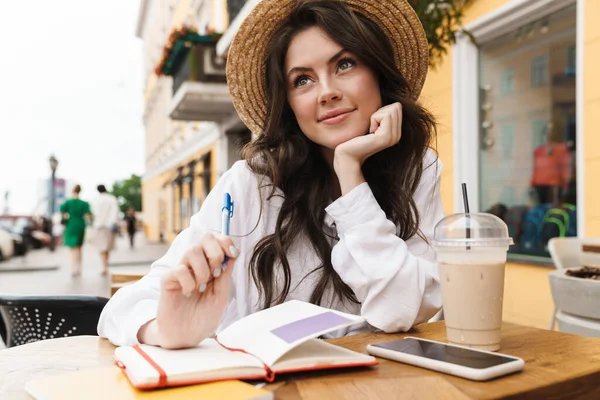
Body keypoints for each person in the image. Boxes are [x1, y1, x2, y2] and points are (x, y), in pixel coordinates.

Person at [98, 0, 444, 349]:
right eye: (303, 80)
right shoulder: (250, 184)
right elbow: (122, 309)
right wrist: (169, 331)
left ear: (378, 73)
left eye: (345, 64)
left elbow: (403, 308)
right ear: (289, 104)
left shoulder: (417, 170)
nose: (327, 92)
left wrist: (350, 173)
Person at [59, 184, 91, 277]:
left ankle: (74, 268)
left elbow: (62, 209)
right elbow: (88, 214)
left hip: (71, 224)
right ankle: (79, 267)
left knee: (73, 248)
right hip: (81, 224)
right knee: (80, 248)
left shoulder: (68, 202)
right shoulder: (84, 203)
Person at [91, 184, 120, 276]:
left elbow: (94, 213)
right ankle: (105, 264)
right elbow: (115, 212)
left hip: (99, 226)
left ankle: (103, 265)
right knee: (107, 247)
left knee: (101, 247)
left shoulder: (96, 200)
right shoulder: (111, 199)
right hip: (109, 226)